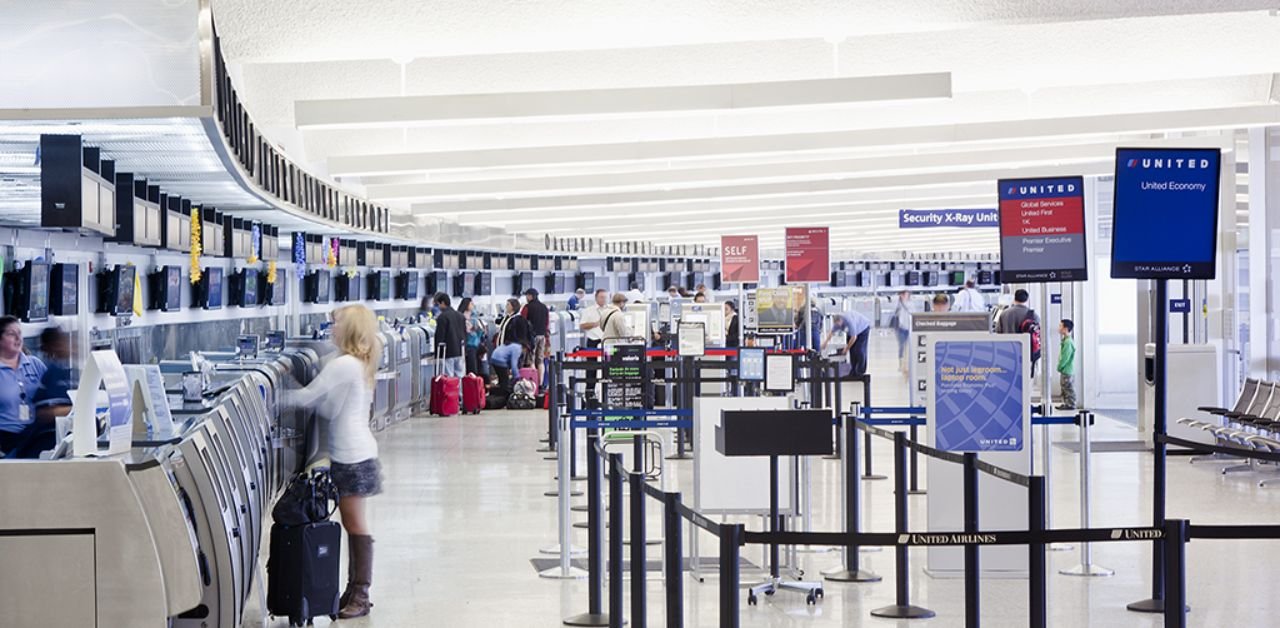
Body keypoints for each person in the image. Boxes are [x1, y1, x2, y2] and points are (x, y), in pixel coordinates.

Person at [287, 304, 383, 619]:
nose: (331, 328)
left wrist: (275, 392)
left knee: (355, 525)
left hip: (352, 456)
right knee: (354, 524)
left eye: (336, 323)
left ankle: (360, 594)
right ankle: (354, 590)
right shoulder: (357, 363)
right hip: (357, 453)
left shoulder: (344, 365)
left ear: (350, 328)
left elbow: (312, 400)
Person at [0, 316, 46, 455]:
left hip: (36, 435)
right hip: (6, 438)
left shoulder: (35, 364)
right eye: (11, 334)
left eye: (20, 334)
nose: (18, 338)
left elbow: (52, 396)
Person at [996, 289, 1041, 374]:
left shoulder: (1004, 313)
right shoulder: (1033, 315)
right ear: (1027, 299)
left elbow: (998, 333)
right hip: (1026, 351)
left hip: (1008, 351)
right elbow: (1038, 334)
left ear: (1014, 298)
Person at [492, 298, 531, 392]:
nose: (506, 307)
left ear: (513, 307)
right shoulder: (507, 317)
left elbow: (520, 336)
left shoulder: (518, 319)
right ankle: (504, 390)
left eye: (508, 305)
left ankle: (511, 390)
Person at [822, 309, 872, 376]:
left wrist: (846, 348)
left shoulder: (849, 321)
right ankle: (853, 371)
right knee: (852, 351)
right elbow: (831, 332)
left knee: (860, 350)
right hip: (852, 332)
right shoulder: (837, 323)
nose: (838, 327)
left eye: (838, 324)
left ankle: (860, 371)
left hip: (863, 328)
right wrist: (825, 342)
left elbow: (854, 337)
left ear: (840, 320)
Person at [432, 292, 466, 378]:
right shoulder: (460, 315)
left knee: (449, 377)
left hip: (447, 352)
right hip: (460, 350)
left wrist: (437, 354)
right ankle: (459, 391)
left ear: (443, 303)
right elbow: (464, 332)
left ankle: (451, 392)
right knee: (460, 376)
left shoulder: (442, 317)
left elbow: (440, 336)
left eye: (438, 304)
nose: (438, 307)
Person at [523, 288, 550, 385]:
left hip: (531, 337)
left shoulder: (527, 307)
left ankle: (533, 383)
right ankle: (541, 383)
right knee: (540, 360)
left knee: (531, 360)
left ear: (530, 296)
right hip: (542, 336)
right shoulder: (544, 307)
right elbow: (547, 323)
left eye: (526, 296)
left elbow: (523, 322)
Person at [459, 297, 484, 376]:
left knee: (478, 365)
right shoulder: (462, 317)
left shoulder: (475, 316)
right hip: (469, 344)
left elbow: (481, 329)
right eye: (471, 303)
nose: (473, 305)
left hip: (476, 343)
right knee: (472, 367)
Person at [1057, 319, 1077, 410]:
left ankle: (1070, 404)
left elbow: (1065, 357)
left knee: (1067, 387)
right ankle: (1066, 403)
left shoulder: (1068, 342)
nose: (1059, 328)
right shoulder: (1066, 340)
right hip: (1066, 369)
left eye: (1060, 326)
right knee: (1065, 387)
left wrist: (1060, 366)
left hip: (1067, 370)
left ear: (1066, 328)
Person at [891, 291, 912, 365]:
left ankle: (907, 362)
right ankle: (901, 363)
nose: (904, 296)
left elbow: (912, 312)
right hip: (900, 328)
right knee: (901, 345)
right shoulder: (898, 304)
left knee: (909, 346)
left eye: (905, 294)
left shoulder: (911, 304)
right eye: (903, 294)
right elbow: (894, 312)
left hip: (909, 328)